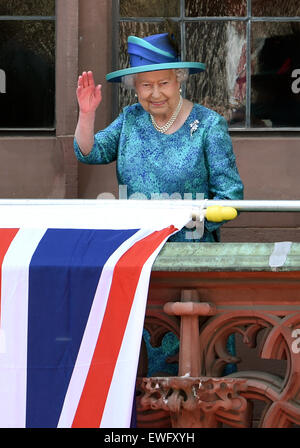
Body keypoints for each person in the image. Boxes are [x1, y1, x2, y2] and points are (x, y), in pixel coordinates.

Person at [74, 32, 244, 242]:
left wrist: (187, 221)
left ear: (179, 78)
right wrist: (86, 114)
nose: (155, 94)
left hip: (189, 253)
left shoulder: (208, 125)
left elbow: (230, 195)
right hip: (135, 248)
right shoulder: (130, 119)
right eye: (146, 85)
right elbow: (90, 153)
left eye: (163, 83)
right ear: (135, 86)